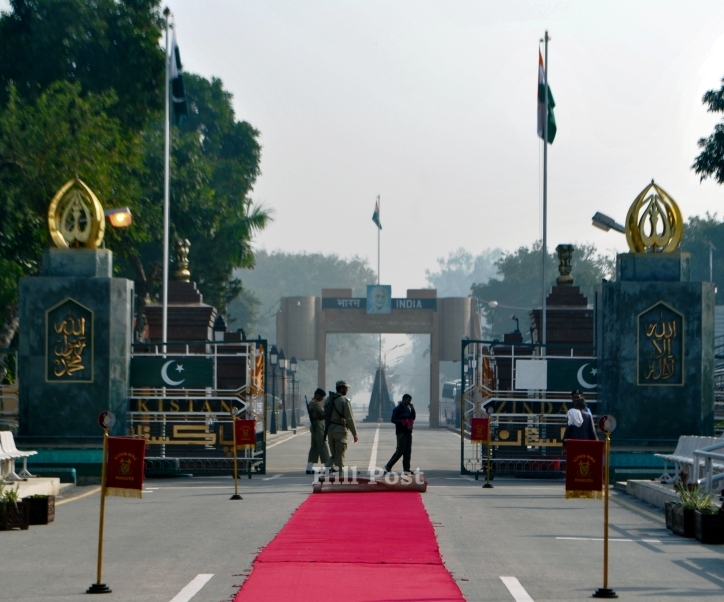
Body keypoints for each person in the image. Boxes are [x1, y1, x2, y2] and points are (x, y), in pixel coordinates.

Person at [324, 380, 358, 472]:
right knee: (340, 458)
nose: (347, 390)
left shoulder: (328, 400)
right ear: (342, 388)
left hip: (330, 431)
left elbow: (325, 416)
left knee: (334, 455)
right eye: (346, 388)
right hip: (340, 431)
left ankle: (327, 471)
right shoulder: (344, 401)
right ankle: (339, 479)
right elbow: (349, 418)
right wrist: (354, 433)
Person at [384, 394, 416, 474]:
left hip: (408, 432)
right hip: (401, 432)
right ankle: (389, 465)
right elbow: (393, 419)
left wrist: (412, 409)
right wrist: (401, 422)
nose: (409, 402)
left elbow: (413, 417)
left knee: (408, 451)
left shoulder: (408, 409)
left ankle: (406, 469)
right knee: (400, 450)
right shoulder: (397, 409)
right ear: (404, 399)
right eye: (408, 400)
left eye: (410, 401)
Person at [306, 388, 330, 474]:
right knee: (322, 445)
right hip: (317, 426)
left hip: (316, 426)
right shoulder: (314, 403)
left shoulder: (314, 403)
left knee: (315, 447)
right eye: (321, 396)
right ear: (317, 395)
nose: (322, 399)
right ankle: (328, 466)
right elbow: (323, 412)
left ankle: (309, 467)